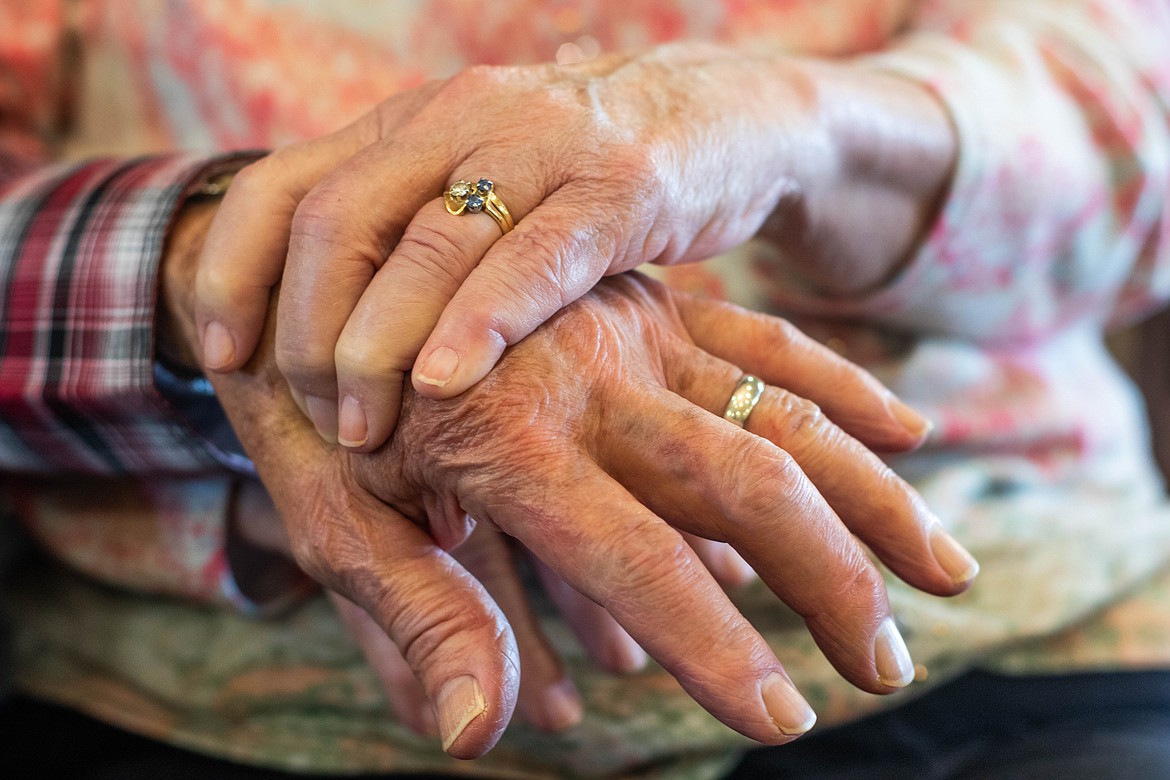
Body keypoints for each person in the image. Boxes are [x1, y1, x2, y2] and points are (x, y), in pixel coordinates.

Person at [3, 0, 1170, 778]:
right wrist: (226, 276)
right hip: (199, 676)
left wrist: (781, 126)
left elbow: (1127, 127)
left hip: (1006, 629)